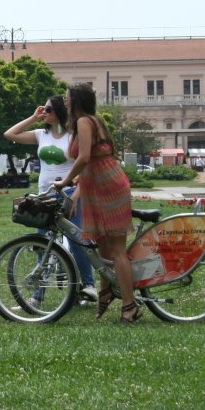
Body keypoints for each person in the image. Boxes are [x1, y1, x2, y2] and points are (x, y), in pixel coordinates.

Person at [54, 83, 137, 323]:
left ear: (76, 100)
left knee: (117, 250)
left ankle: (130, 306)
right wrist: (77, 189)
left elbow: (85, 157)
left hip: (107, 187)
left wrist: (66, 181)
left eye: (67, 98)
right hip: (99, 184)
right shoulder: (94, 120)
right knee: (102, 250)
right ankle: (106, 292)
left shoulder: (84, 122)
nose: (65, 101)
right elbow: (95, 159)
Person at [4, 95, 97, 303]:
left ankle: (89, 286)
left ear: (58, 113)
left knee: (78, 241)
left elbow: (86, 166)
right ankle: (38, 295)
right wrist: (33, 117)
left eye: (47, 109)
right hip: (44, 196)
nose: (43, 112)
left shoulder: (73, 135)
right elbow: (10, 134)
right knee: (42, 243)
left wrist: (76, 195)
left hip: (69, 194)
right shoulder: (41, 134)